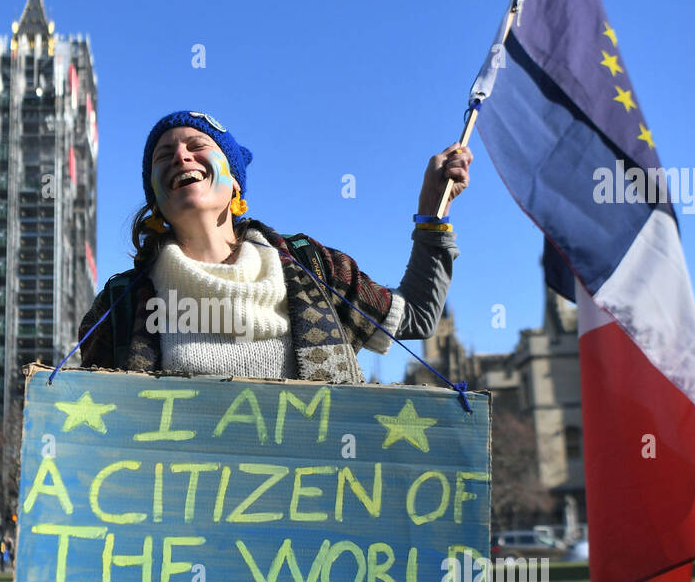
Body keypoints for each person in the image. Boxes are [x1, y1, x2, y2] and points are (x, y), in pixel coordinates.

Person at [77, 111, 469, 382]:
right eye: (164, 156)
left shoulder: (313, 267)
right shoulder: (118, 306)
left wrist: (432, 213)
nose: (181, 155)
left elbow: (417, 316)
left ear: (234, 183)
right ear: (156, 200)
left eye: (197, 146)